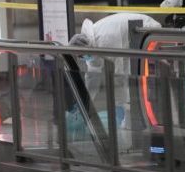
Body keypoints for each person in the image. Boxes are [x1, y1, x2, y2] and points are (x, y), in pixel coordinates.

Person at [69, 13, 161, 141]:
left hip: (146, 32)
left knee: (138, 79)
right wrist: (83, 101)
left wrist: (126, 103)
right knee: (131, 80)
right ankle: (138, 117)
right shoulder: (91, 42)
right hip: (137, 35)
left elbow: (122, 70)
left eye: (81, 56)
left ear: (84, 48)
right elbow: (92, 75)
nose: (84, 59)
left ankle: (144, 122)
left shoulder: (102, 40)